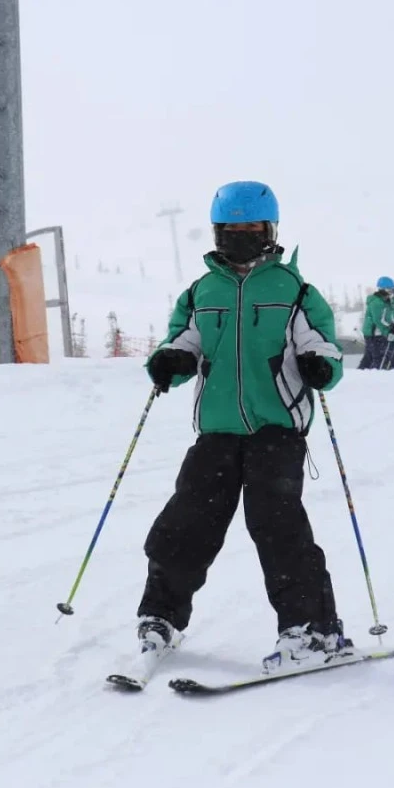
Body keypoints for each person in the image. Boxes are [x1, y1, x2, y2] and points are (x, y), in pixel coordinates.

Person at [140, 180, 353, 675]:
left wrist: (320, 363)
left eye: (250, 228)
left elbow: (323, 344)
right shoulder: (202, 291)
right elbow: (185, 341)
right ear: (216, 232)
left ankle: (312, 630)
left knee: (276, 524)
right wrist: (170, 360)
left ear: (269, 230)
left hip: (276, 427)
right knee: (186, 522)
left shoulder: (294, 289)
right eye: (230, 229)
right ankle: (160, 617)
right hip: (216, 428)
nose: (240, 236)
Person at [358, 277, 394, 370]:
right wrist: (389, 329)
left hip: (377, 333)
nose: (391, 292)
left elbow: (388, 317)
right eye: (390, 289)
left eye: (392, 290)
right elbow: (378, 320)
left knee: (369, 357)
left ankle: (360, 374)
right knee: (377, 357)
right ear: (383, 289)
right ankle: (377, 375)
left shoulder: (386, 302)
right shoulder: (377, 302)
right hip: (373, 334)